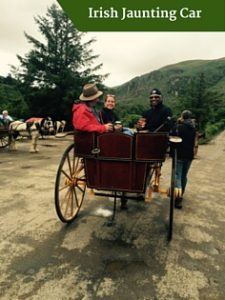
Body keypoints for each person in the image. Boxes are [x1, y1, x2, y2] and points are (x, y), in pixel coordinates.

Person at [173, 110, 196, 209]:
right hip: (189, 155)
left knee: (177, 176)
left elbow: (173, 135)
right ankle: (181, 193)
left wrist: (178, 123)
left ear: (182, 117)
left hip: (180, 154)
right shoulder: (193, 128)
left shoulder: (179, 127)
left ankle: (178, 199)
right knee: (184, 175)